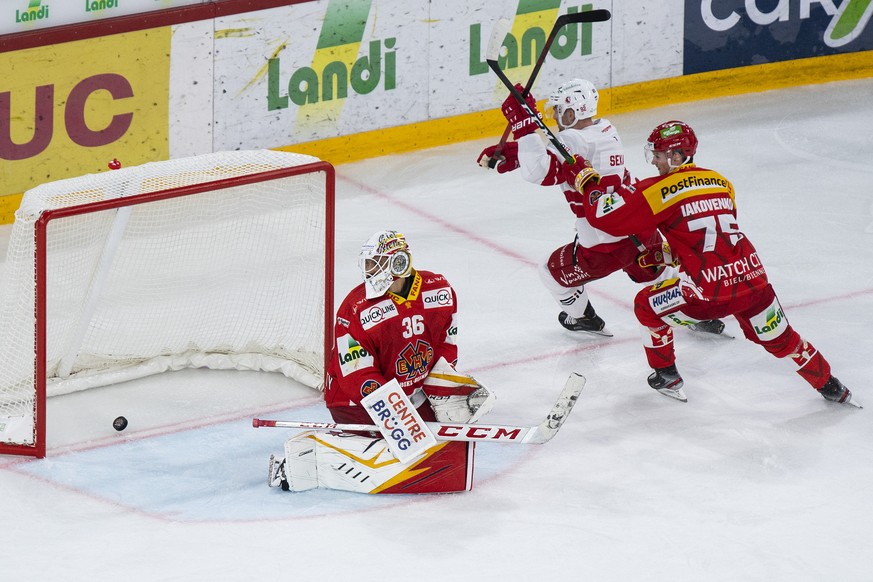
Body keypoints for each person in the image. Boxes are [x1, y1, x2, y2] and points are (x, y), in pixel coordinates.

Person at [561, 120, 857, 405]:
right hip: (754, 281)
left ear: (677, 156)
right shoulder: (722, 182)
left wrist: (587, 182)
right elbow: (710, 237)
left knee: (646, 305)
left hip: (709, 294)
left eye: (659, 155)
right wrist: (668, 255)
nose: (654, 162)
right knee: (782, 340)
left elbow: (610, 220)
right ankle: (832, 386)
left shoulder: (658, 189)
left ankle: (666, 374)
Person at [478, 79, 724, 338]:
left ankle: (584, 318)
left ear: (572, 112)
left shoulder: (571, 137)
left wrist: (525, 127)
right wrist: (517, 153)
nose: (556, 116)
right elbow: (563, 156)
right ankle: (699, 311)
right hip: (639, 226)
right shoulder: (605, 128)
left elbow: (540, 171)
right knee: (659, 272)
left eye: (560, 110)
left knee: (549, 273)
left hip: (603, 244)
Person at [267, 229, 495, 493]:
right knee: (407, 451)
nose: (369, 271)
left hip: (413, 394)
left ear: (399, 263)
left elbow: (446, 342)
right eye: (368, 264)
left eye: (376, 263)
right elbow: (357, 375)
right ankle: (311, 457)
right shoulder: (356, 308)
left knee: (452, 442)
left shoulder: (439, 289)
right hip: (354, 402)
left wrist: (442, 387)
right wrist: (398, 415)